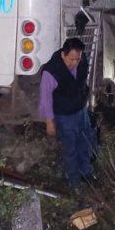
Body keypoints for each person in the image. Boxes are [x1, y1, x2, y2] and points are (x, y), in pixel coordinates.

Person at [39, 38, 97, 190]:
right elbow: (46, 99)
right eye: (71, 59)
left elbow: (82, 82)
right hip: (64, 116)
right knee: (70, 149)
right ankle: (74, 182)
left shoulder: (81, 60)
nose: (75, 63)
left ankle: (87, 173)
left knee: (85, 142)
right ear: (63, 54)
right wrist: (49, 121)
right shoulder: (51, 71)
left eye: (77, 59)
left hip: (81, 111)